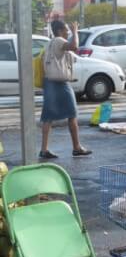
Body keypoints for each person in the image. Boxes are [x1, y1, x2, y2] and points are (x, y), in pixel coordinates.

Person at [39, 20, 92, 159]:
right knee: (72, 113)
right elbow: (74, 46)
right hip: (59, 83)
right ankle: (77, 147)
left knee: (48, 116)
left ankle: (44, 149)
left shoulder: (51, 43)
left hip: (50, 82)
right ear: (59, 31)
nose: (68, 31)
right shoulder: (58, 40)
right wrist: (75, 31)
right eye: (66, 29)